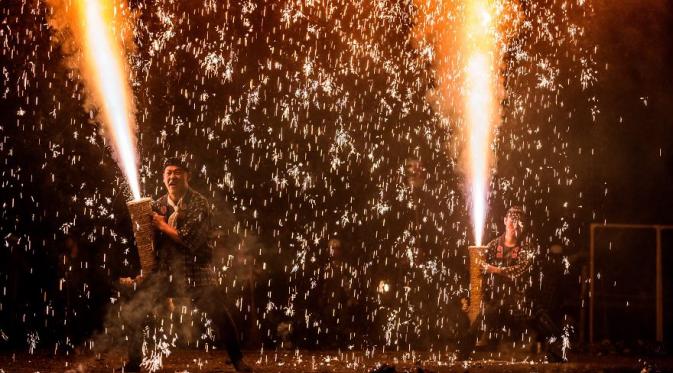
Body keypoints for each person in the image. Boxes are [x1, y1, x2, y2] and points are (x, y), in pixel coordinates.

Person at [123, 157, 251, 372]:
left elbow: (190, 240)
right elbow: (147, 245)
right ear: (163, 178)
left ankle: (238, 361)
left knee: (220, 315)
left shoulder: (199, 203)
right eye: (168, 173)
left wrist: (162, 226)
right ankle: (133, 364)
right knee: (137, 309)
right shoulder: (156, 206)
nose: (172, 176)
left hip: (195, 271)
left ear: (187, 176)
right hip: (165, 273)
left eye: (177, 172)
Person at [457, 206, 565, 362]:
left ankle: (559, 354)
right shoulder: (493, 246)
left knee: (544, 322)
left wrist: (496, 269)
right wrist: (468, 297)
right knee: (481, 320)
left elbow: (520, 270)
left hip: (519, 299)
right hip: (497, 299)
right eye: (511, 221)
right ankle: (461, 356)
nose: (514, 225)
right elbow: (477, 273)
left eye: (519, 222)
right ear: (505, 221)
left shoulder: (527, 246)